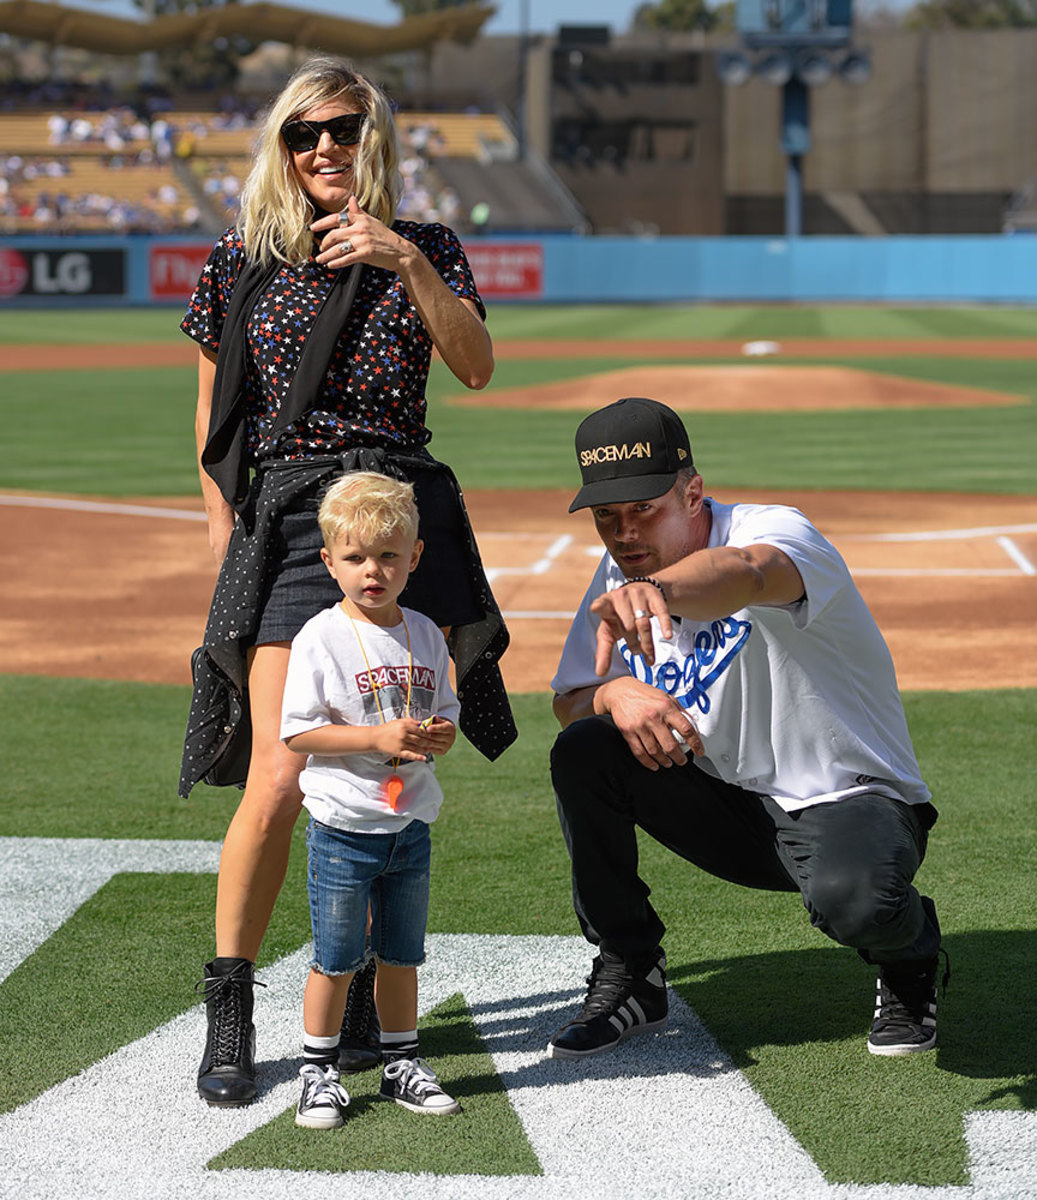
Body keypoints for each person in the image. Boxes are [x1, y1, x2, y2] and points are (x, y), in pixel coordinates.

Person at [180, 56, 515, 1108]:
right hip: (288, 525)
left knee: (395, 755)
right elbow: (211, 426)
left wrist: (404, 262)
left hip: (401, 519)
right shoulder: (238, 260)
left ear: (376, 142)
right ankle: (230, 1001)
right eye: (302, 132)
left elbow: (475, 366)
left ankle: (369, 991)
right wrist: (221, 547)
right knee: (280, 774)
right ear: (282, 146)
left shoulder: (431, 247)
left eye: (343, 130)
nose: (323, 148)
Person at [546, 396, 945, 1063]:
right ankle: (630, 969)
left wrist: (661, 592)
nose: (624, 532)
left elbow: (748, 574)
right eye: (607, 516)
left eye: (644, 508)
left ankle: (909, 959)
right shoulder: (623, 569)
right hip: (726, 805)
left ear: (693, 491)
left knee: (858, 904)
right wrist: (614, 690)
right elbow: (569, 698)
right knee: (584, 748)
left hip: (848, 800)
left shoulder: (773, 531)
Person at [283, 473, 461, 1127]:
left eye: (388, 555)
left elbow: (443, 710)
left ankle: (401, 1062)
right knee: (335, 958)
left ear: (414, 556)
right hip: (342, 827)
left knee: (401, 954)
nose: (372, 571)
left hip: (408, 823)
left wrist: (439, 732)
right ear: (329, 561)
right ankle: (318, 1071)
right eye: (355, 557)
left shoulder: (424, 633)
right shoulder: (319, 638)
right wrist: (375, 736)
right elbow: (298, 730)